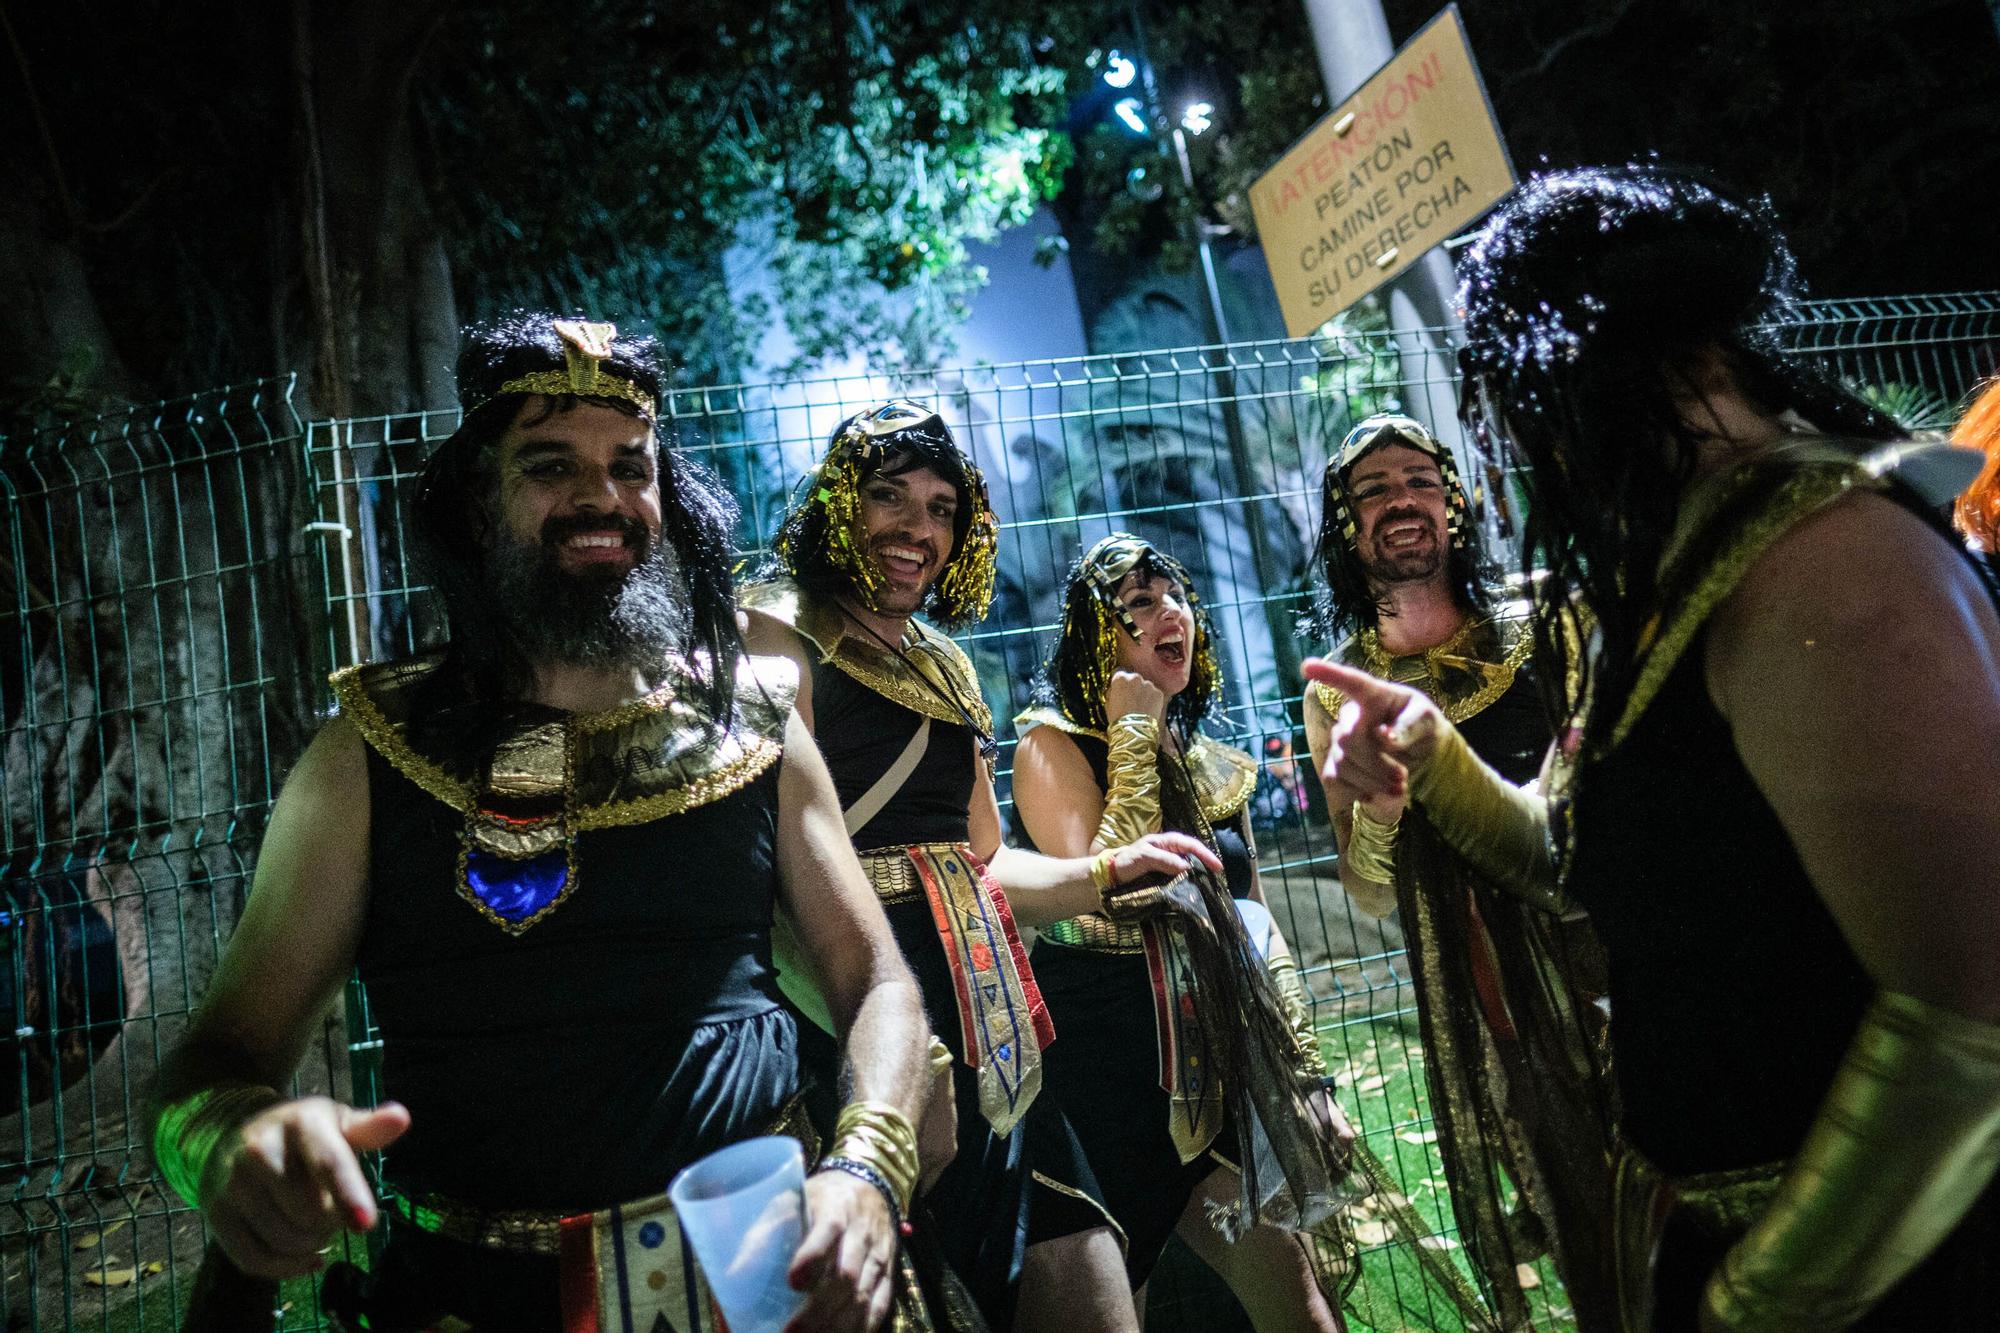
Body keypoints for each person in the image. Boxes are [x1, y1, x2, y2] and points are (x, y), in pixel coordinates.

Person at [1313, 164, 2000, 1330]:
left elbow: (1970, 1008)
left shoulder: (1825, 562)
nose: (1529, 461)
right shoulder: (1685, 562)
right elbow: (1572, 852)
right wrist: (1433, 755)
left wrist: (1753, 1298)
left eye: (1521, 417)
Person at [148, 317, 934, 1333]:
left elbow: (876, 983)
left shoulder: (757, 722)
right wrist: (227, 1142)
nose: (600, 496)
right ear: (477, 501)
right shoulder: (365, 757)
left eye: (629, 466)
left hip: (771, 1287)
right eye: (549, 464)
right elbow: (209, 1062)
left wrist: (867, 1169)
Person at [741, 404, 1218, 1333]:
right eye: (890, 496)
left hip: (1000, 1050)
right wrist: (884, 1060)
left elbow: (983, 865)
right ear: (840, 501)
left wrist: (1106, 874)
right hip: (853, 1042)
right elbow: (757, 876)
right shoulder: (775, 632)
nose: (918, 528)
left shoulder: (949, 667)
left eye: (941, 507)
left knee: (1096, 1298)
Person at [1299, 415, 1616, 1328]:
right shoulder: (1336, 688)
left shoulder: (1546, 619)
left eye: (1419, 480)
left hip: (1611, 949)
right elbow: (1365, 888)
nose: (1400, 498)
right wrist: (1386, 815)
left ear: (1455, 504)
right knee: (1572, 1215)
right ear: (1343, 528)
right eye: (1372, 490)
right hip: (1489, 996)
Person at [1009, 532, 1354, 1332]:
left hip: (1212, 1085)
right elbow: (1106, 895)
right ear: (1099, 636)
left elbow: (1256, 930)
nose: (1170, 613)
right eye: (1137, 604)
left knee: (1302, 1314)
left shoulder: (1213, 763)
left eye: (1174, 596)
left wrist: (1308, 1084)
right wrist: (1132, 732)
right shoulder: (1050, 746)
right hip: (1102, 1092)